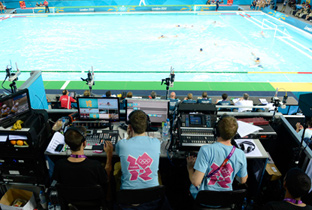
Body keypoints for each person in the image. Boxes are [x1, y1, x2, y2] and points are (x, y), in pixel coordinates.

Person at [187, 115, 248, 199]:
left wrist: (190, 168)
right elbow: (242, 180)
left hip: (205, 200)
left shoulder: (206, 150)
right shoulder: (240, 154)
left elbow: (196, 182)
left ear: (216, 131)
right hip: (225, 200)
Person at [52, 126, 113, 206]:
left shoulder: (59, 165)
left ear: (67, 144)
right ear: (84, 143)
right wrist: (109, 155)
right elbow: (106, 179)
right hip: (95, 203)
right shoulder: (95, 166)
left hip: (71, 202)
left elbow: (57, 182)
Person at [115, 110, 161, 189]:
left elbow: (118, 152)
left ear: (129, 127)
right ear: (147, 126)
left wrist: (129, 137)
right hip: (153, 196)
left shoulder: (122, 144)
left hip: (128, 196)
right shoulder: (156, 143)